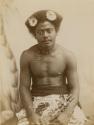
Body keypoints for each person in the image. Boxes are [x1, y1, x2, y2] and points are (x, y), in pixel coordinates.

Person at [19, 10, 86, 125]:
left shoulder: (67, 55)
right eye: (40, 32)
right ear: (35, 34)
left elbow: (75, 88)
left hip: (63, 100)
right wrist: (31, 114)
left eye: (49, 31)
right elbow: (24, 87)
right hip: (36, 100)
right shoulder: (27, 56)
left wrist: (67, 114)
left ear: (56, 32)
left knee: (77, 121)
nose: (45, 35)